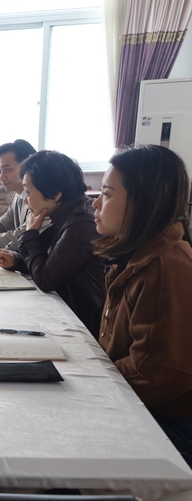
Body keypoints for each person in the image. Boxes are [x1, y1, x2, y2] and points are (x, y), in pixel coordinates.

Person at [92, 144, 192, 469]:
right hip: (137, 399)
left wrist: (91, 380)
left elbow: (156, 372)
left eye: (107, 194)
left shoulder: (167, 267)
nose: (95, 203)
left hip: (167, 420)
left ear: (142, 201)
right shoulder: (137, 255)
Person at [0, 150, 105, 337]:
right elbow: (53, 261)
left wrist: (30, 233)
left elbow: (46, 279)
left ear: (55, 193)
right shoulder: (67, 212)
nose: (25, 200)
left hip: (81, 323)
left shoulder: (81, 224)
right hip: (65, 309)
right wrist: (17, 260)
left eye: (28, 191)